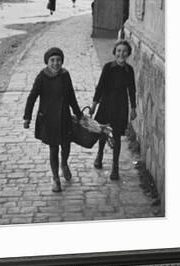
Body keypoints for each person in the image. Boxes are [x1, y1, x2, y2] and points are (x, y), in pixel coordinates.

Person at [23, 47, 82, 192]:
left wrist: (78, 113)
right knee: (53, 148)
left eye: (58, 60)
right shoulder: (42, 77)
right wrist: (27, 117)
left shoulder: (65, 75)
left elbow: (71, 96)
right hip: (49, 118)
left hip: (64, 117)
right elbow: (32, 97)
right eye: (52, 60)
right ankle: (55, 177)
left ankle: (64, 164)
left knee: (66, 145)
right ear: (47, 62)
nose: (56, 63)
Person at [90, 40, 137, 180]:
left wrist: (133, 108)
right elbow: (100, 87)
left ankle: (115, 168)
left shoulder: (129, 70)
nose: (121, 54)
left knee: (116, 136)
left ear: (128, 54)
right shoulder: (108, 68)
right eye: (118, 51)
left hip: (121, 107)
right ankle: (99, 155)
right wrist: (94, 104)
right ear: (114, 52)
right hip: (106, 104)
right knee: (103, 132)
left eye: (124, 51)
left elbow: (132, 90)